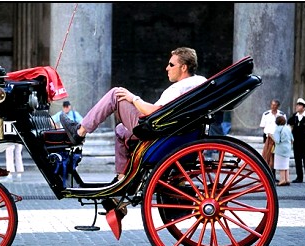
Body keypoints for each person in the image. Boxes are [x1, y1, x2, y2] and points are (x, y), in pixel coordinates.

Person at [60, 47, 207, 179]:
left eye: (171, 64)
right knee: (119, 130)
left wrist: (133, 99)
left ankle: (79, 131)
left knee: (116, 93)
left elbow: (154, 111)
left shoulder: (179, 87)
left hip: (154, 129)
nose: (167, 68)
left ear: (184, 67)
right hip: (170, 130)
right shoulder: (200, 82)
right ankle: (122, 179)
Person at [287, 98, 305, 184]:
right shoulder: (295, 116)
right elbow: (288, 123)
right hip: (296, 141)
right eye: (297, 105)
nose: (297, 106)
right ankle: (299, 177)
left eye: (299, 105)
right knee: (297, 159)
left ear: (304, 107)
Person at [259, 99, 286, 176]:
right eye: (272, 105)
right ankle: (267, 174)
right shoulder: (266, 114)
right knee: (267, 156)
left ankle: (273, 175)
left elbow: (284, 126)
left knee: (275, 157)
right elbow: (263, 126)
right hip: (269, 138)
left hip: (277, 138)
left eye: (275, 105)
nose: (273, 107)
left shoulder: (282, 114)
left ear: (278, 106)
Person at [273, 116, 293, 186]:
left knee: (281, 165)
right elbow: (292, 138)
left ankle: (282, 180)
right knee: (286, 165)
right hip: (287, 148)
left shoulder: (277, 129)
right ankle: (287, 179)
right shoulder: (287, 128)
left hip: (280, 149)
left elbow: (277, 140)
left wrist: (271, 136)